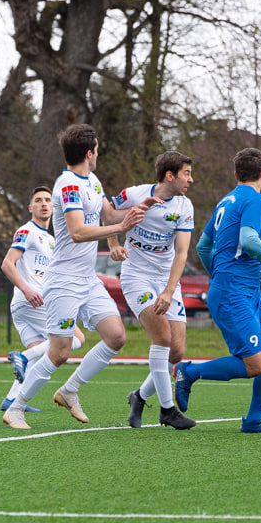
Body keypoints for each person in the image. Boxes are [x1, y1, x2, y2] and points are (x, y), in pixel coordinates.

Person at [3, 123, 157, 430]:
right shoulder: (67, 184)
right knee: (59, 352)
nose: (98, 154)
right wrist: (120, 229)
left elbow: (109, 215)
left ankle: (70, 390)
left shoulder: (92, 180)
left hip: (87, 280)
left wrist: (142, 207)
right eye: (97, 149)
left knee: (116, 336)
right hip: (62, 281)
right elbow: (77, 232)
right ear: (89, 153)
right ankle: (16, 408)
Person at [172, 147, 261, 434]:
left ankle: (253, 421)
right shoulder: (256, 199)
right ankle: (187, 373)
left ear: (236, 174)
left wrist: (220, 273)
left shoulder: (226, 199)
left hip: (248, 291)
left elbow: (203, 246)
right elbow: (249, 241)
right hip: (233, 292)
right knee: (255, 364)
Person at [112, 151, 197, 430]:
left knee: (177, 352)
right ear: (169, 175)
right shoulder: (135, 194)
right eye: (186, 173)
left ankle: (138, 396)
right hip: (136, 276)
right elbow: (105, 212)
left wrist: (169, 291)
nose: (190, 179)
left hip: (165, 281)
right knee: (161, 336)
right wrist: (113, 241)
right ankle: (167, 410)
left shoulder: (185, 206)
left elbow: (182, 253)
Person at [0, 186, 86, 413]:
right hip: (31, 301)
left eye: (48, 200)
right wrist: (27, 290)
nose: (44, 204)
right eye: (38, 200)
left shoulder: (51, 240)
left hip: (28, 305)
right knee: (76, 338)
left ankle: (12, 399)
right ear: (31, 208)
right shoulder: (26, 231)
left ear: (54, 206)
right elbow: (7, 263)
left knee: (43, 351)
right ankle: (23, 357)